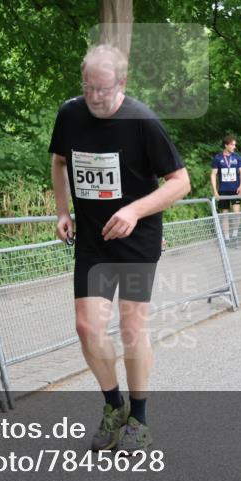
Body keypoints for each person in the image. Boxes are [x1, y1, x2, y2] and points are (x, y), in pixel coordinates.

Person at [49, 44, 189, 452]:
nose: (94, 96)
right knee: (87, 326)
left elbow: (180, 182)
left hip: (136, 237)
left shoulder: (142, 121)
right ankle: (113, 406)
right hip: (92, 235)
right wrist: (62, 210)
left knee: (131, 327)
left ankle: (139, 421)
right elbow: (59, 161)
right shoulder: (70, 113)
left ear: (122, 84)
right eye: (88, 86)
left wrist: (134, 210)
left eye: (103, 89)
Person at [210, 135, 241, 241]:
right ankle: (226, 238)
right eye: (232, 144)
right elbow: (213, 175)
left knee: (236, 213)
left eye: (235, 144)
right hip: (223, 190)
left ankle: (234, 235)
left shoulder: (237, 157)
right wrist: (215, 191)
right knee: (224, 215)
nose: (234, 146)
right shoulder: (218, 158)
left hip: (236, 189)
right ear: (226, 145)